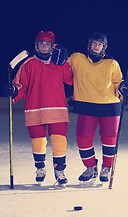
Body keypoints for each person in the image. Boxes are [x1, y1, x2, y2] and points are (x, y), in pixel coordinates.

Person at [68, 32, 128, 183]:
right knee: (83, 140)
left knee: (109, 140)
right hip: (86, 105)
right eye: (94, 43)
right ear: (89, 44)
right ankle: (90, 167)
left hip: (110, 106)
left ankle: (106, 168)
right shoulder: (77, 58)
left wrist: (124, 87)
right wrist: (57, 48)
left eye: (100, 44)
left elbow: (119, 83)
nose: (96, 47)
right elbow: (62, 68)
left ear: (104, 47)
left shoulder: (112, 63)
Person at [10, 30, 73, 185]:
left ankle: (60, 171)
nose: (44, 47)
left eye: (47, 44)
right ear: (36, 45)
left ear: (53, 46)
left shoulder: (59, 61)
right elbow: (20, 86)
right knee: (38, 141)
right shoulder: (28, 63)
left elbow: (70, 79)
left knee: (59, 141)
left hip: (58, 108)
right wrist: (13, 91)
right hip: (35, 108)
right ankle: (40, 168)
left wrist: (65, 63)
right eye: (41, 44)